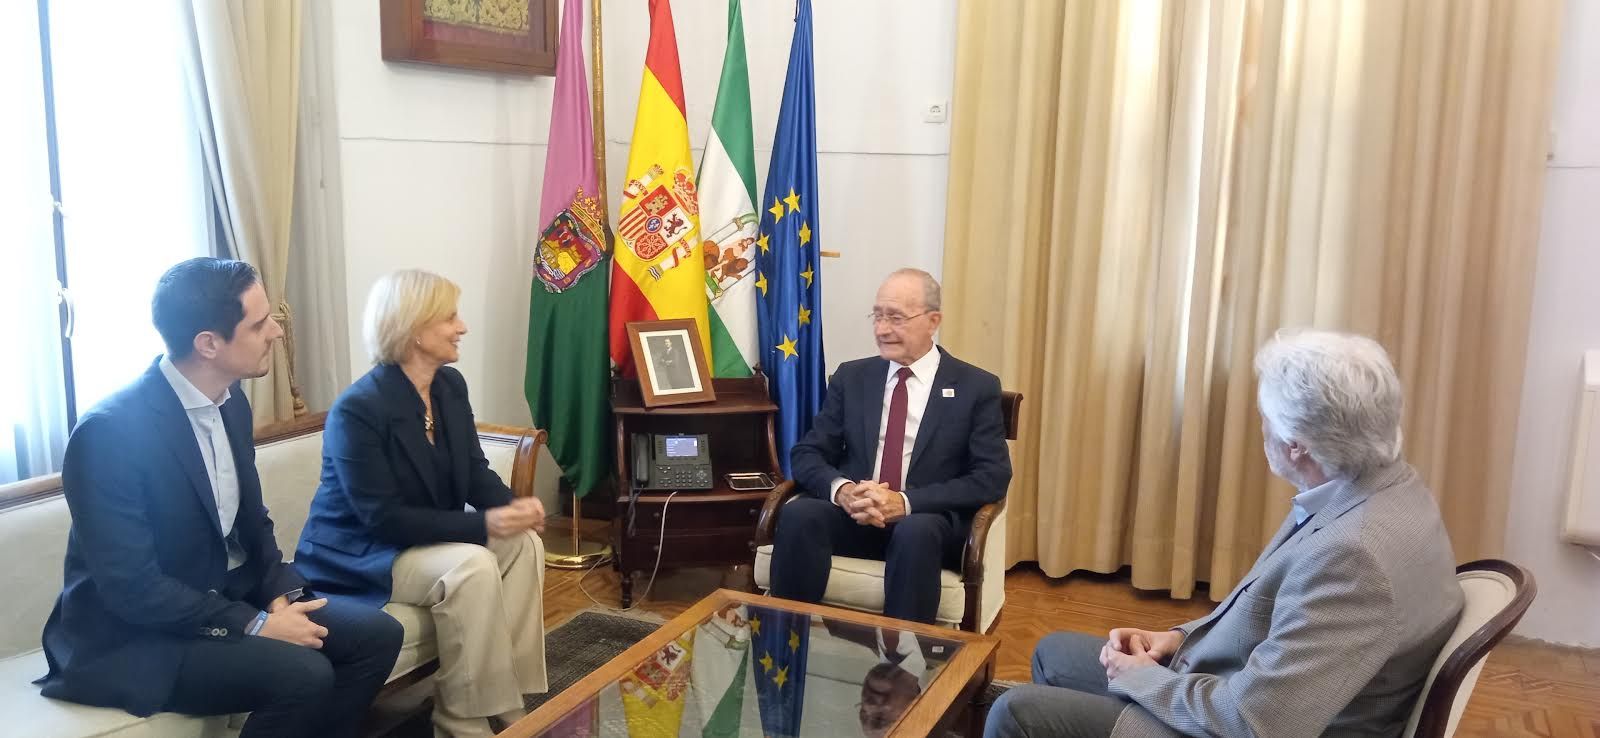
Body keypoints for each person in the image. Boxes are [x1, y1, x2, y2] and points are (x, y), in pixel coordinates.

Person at [986, 329, 1465, 738]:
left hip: (1249, 719)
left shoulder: (1352, 558)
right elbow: (1267, 615)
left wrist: (1144, 679)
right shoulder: (1383, 486)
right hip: (1256, 685)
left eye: (1265, 418)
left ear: (1297, 444)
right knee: (1054, 653)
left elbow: (1256, 722)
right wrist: (1176, 639)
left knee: (1016, 714)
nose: (1262, 430)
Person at [36, 258, 403, 738]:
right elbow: (132, 588)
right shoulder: (109, 434)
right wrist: (253, 624)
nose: (276, 331)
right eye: (259, 323)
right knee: (304, 673)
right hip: (133, 635)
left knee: (377, 635)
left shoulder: (231, 403)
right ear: (208, 344)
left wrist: (282, 595)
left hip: (218, 594)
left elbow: (253, 523)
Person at [294, 269, 549, 738]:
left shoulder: (449, 387)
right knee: (471, 564)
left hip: (421, 541)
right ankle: (461, 721)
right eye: (450, 317)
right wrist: (487, 524)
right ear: (414, 330)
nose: (462, 327)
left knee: (524, 546)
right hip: (363, 555)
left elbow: (473, 470)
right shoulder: (359, 410)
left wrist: (515, 510)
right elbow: (382, 519)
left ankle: (506, 701)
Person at [769, 268, 1012, 623]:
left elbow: (992, 477)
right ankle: (786, 645)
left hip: (926, 524)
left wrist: (905, 502)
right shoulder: (852, 377)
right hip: (854, 516)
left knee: (916, 532)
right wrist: (844, 491)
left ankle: (904, 666)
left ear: (933, 321)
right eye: (878, 316)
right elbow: (808, 453)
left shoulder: (975, 387)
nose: (882, 329)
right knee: (799, 513)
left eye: (895, 318)